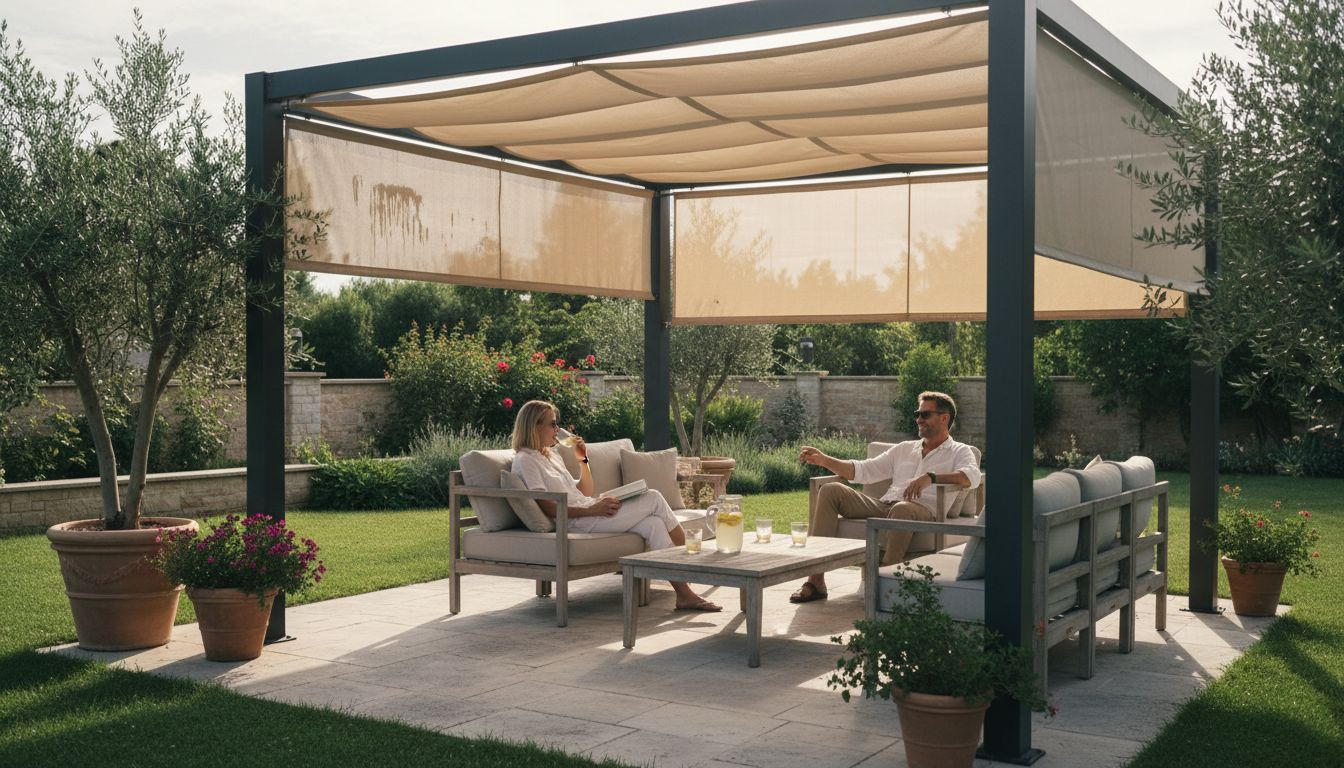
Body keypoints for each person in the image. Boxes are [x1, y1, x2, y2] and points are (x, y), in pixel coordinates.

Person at [509, 399, 721, 612]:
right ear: (534, 426)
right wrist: (592, 510)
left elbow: (583, 492)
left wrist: (582, 460)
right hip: (577, 521)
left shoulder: (550, 455)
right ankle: (698, 565)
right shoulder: (526, 460)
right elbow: (547, 506)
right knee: (654, 498)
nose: (557, 429)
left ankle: (684, 595)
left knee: (654, 524)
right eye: (552, 424)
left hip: (589, 509)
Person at [789, 391, 981, 603]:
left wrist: (931, 477)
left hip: (922, 511)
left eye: (925, 415)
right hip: (885, 505)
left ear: (944, 418)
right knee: (831, 490)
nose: (918, 419)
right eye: (917, 413)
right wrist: (824, 460)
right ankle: (816, 580)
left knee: (903, 508)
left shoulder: (959, 451)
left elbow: (971, 477)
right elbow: (864, 470)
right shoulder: (904, 449)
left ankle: (887, 585)